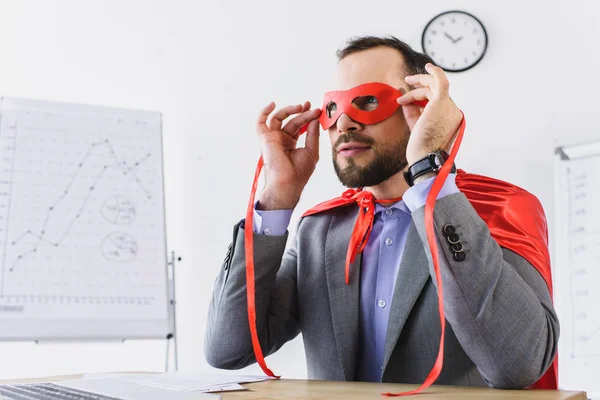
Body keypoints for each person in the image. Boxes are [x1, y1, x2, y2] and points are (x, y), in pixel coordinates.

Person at [204, 36, 559, 389]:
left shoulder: (499, 208)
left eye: (368, 101)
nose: (344, 124)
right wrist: (276, 198)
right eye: (332, 109)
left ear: (421, 107)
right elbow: (227, 350)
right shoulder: (319, 230)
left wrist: (429, 173)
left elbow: (518, 365)